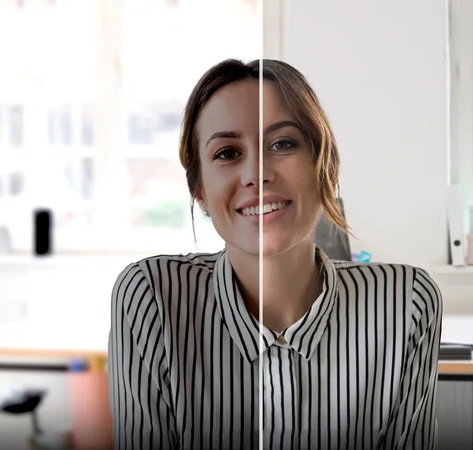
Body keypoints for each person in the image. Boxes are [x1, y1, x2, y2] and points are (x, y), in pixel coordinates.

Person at [108, 59, 443, 450]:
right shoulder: (150, 296)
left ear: (325, 168)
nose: (256, 174)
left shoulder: (407, 301)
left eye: (283, 144)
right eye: (227, 153)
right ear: (200, 192)